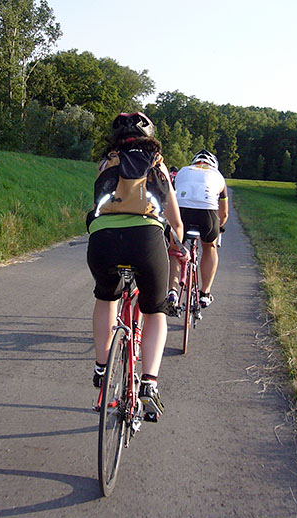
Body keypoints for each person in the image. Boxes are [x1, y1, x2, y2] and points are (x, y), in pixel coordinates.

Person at [86, 112, 183, 420]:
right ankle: (149, 383)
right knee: (154, 310)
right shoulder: (157, 163)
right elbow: (175, 220)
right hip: (146, 239)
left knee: (106, 297)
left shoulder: (106, 162)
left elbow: (98, 207)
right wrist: (175, 247)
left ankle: (103, 367)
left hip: (103, 238)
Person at [167, 149, 228, 312]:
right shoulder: (218, 176)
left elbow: (171, 198)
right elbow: (224, 213)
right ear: (213, 165)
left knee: (175, 250)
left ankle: (172, 292)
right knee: (209, 247)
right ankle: (205, 293)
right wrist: (219, 228)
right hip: (208, 215)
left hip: (182, 213)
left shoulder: (182, 172)